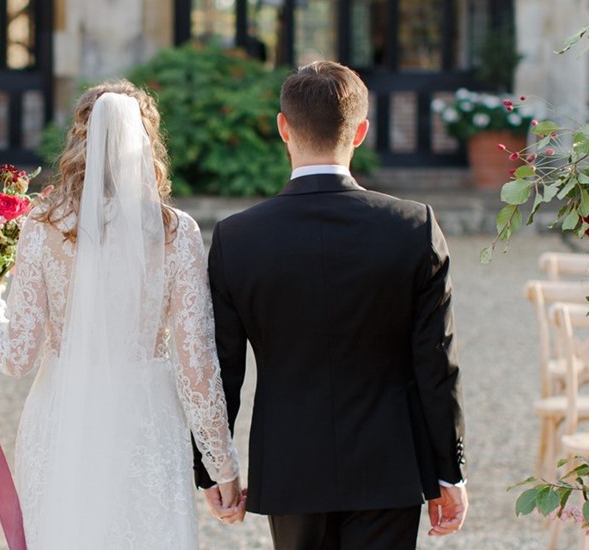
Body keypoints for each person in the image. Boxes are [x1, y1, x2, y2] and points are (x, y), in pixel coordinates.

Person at [194, 61, 469, 549]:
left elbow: (221, 367)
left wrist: (215, 469)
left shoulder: (238, 238)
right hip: (388, 464)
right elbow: (435, 361)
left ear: (283, 127)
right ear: (361, 132)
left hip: (290, 464)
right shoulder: (413, 227)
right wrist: (449, 472)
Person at [0, 80, 243, 549]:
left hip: (61, 415)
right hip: (146, 420)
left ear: (80, 142)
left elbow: (17, 357)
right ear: (147, 144)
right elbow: (198, 368)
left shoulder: (44, 225)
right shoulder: (178, 233)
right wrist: (223, 470)